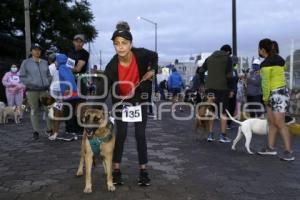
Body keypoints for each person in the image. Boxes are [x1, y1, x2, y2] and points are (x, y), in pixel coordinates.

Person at [99, 21, 158, 186]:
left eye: (124, 43)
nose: (120, 47)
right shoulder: (111, 65)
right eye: (116, 44)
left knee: (140, 135)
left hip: (140, 98)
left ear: (130, 44)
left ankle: (143, 171)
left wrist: (152, 69)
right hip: (121, 100)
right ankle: (116, 170)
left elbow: (154, 56)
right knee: (122, 134)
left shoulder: (141, 54)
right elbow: (103, 89)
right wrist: (95, 107)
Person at [257, 38, 294, 161]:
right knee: (272, 122)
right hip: (281, 92)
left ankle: (289, 152)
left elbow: (266, 84)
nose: (258, 51)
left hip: (275, 94)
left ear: (263, 50)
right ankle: (270, 148)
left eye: (259, 48)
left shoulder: (265, 64)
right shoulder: (280, 60)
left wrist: (265, 98)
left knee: (279, 123)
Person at [199, 44, 234, 143]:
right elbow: (229, 75)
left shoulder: (209, 58)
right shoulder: (228, 58)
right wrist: (231, 89)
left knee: (211, 111)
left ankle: (210, 135)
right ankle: (223, 136)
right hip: (223, 89)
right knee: (223, 113)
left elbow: (201, 71)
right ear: (228, 52)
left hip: (210, 89)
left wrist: (203, 84)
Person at [19, 43, 52, 140]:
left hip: (44, 90)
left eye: (39, 50)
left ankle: (49, 129)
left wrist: (47, 82)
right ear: (31, 51)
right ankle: (36, 131)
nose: (37, 51)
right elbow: (22, 76)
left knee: (48, 109)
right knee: (34, 110)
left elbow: (49, 75)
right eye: (35, 49)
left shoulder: (45, 62)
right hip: (32, 90)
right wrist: (31, 83)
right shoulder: (25, 62)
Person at [66, 34, 90, 136]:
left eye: (81, 41)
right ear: (73, 41)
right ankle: (70, 128)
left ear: (83, 43)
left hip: (81, 80)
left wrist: (67, 68)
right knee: (69, 104)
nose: (79, 43)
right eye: (77, 41)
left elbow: (78, 69)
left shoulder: (85, 53)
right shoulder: (70, 52)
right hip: (70, 80)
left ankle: (80, 128)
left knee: (80, 105)